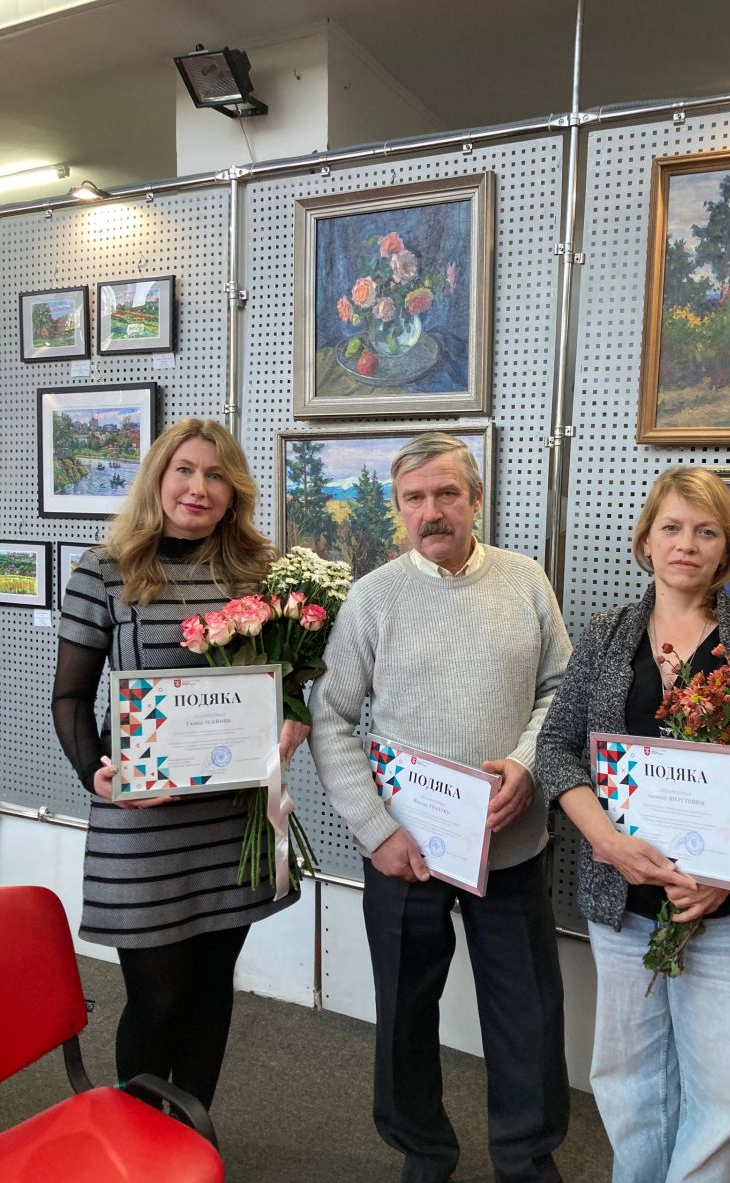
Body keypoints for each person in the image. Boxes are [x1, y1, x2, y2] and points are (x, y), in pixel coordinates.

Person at [536, 465, 730, 1183]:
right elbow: (556, 748)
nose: (686, 544)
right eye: (671, 527)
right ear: (646, 541)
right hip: (624, 905)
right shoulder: (608, 634)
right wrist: (606, 841)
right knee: (628, 1086)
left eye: (706, 531)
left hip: (729, 912)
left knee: (720, 1101)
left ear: (726, 550)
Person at [308, 431, 572, 1183]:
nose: (432, 511)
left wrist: (527, 767)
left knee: (527, 1015)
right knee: (404, 1014)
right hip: (406, 852)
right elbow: (331, 718)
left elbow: (560, 690)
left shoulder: (525, 581)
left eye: (448, 493)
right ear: (399, 510)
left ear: (476, 499)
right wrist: (376, 831)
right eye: (414, 498)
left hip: (509, 846)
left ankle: (527, 1161)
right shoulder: (372, 597)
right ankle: (423, 1152)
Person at [52, 418, 308, 1110]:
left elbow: (290, 679)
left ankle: (191, 1131)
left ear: (235, 491)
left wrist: (296, 716)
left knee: (210, 989)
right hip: (142, 822)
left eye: (217, 475)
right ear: (158, 479)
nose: (199, 488)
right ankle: (137, 1136)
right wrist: (95, 771)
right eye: (185, 471)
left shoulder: (261, 572)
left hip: (232, 821)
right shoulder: (105, 570)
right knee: (157, 999)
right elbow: (70, 696)